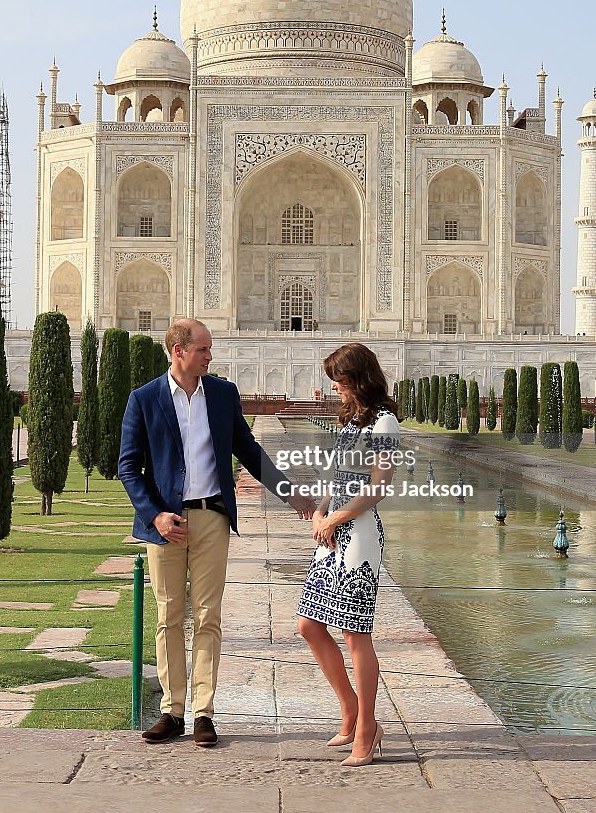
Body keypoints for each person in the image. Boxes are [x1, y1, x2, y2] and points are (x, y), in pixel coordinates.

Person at [118, 318, 314, 748]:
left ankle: (204, 713)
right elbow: (128, 467)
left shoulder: (222, 395)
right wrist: (155, 516)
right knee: (169, 616)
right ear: (178, 351)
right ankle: (173, 711)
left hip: (212, 518)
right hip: (167, 522)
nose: (210, 355)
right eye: (203, 349)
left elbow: (248, 449)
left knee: (208, 616)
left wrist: (291, 495)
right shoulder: (145, 399)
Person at [297, 343, 400, 767]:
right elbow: (337, 476)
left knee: (356, 635)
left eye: (340, 381)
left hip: (358, 537)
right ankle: (351, 709)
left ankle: (366, 728)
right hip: (333, 532)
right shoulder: (352, 420)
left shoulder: (384, 421)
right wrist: (321, 511)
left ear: (358, 379)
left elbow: (379, 486)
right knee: (309, 626)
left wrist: (336, 517)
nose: (335, 389)